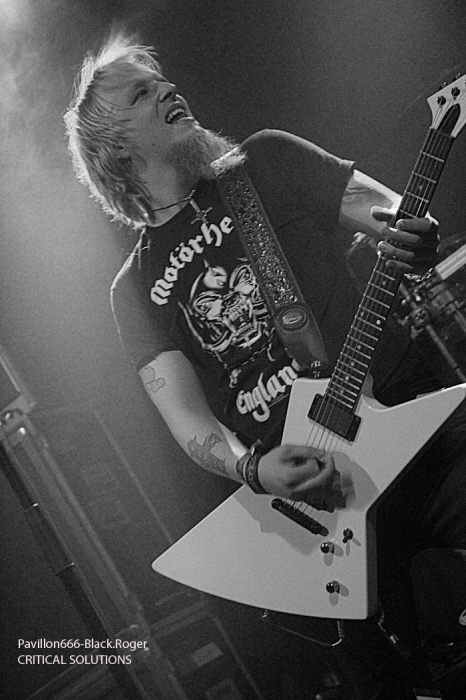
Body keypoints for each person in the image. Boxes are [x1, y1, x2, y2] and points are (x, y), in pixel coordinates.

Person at [65, 33, 466, 700]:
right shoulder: (132, 289)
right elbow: (188, 421)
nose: (168, 89)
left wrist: (409, 232)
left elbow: (390, 211)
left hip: (413, 422)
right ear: (114, 149)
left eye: (162, 79)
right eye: (141, 92)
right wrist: (253, 469)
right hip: (317, 506)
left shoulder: (267, 159)